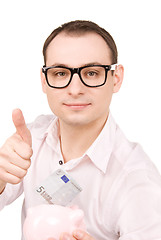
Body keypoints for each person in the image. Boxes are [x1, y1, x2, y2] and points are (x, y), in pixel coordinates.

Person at [0, 20, 161, 240]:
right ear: (44, 80)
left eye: (92, 73)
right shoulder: (30, 141)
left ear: (117, 78)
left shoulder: (138, 181)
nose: (75, 89)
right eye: (60, 73)